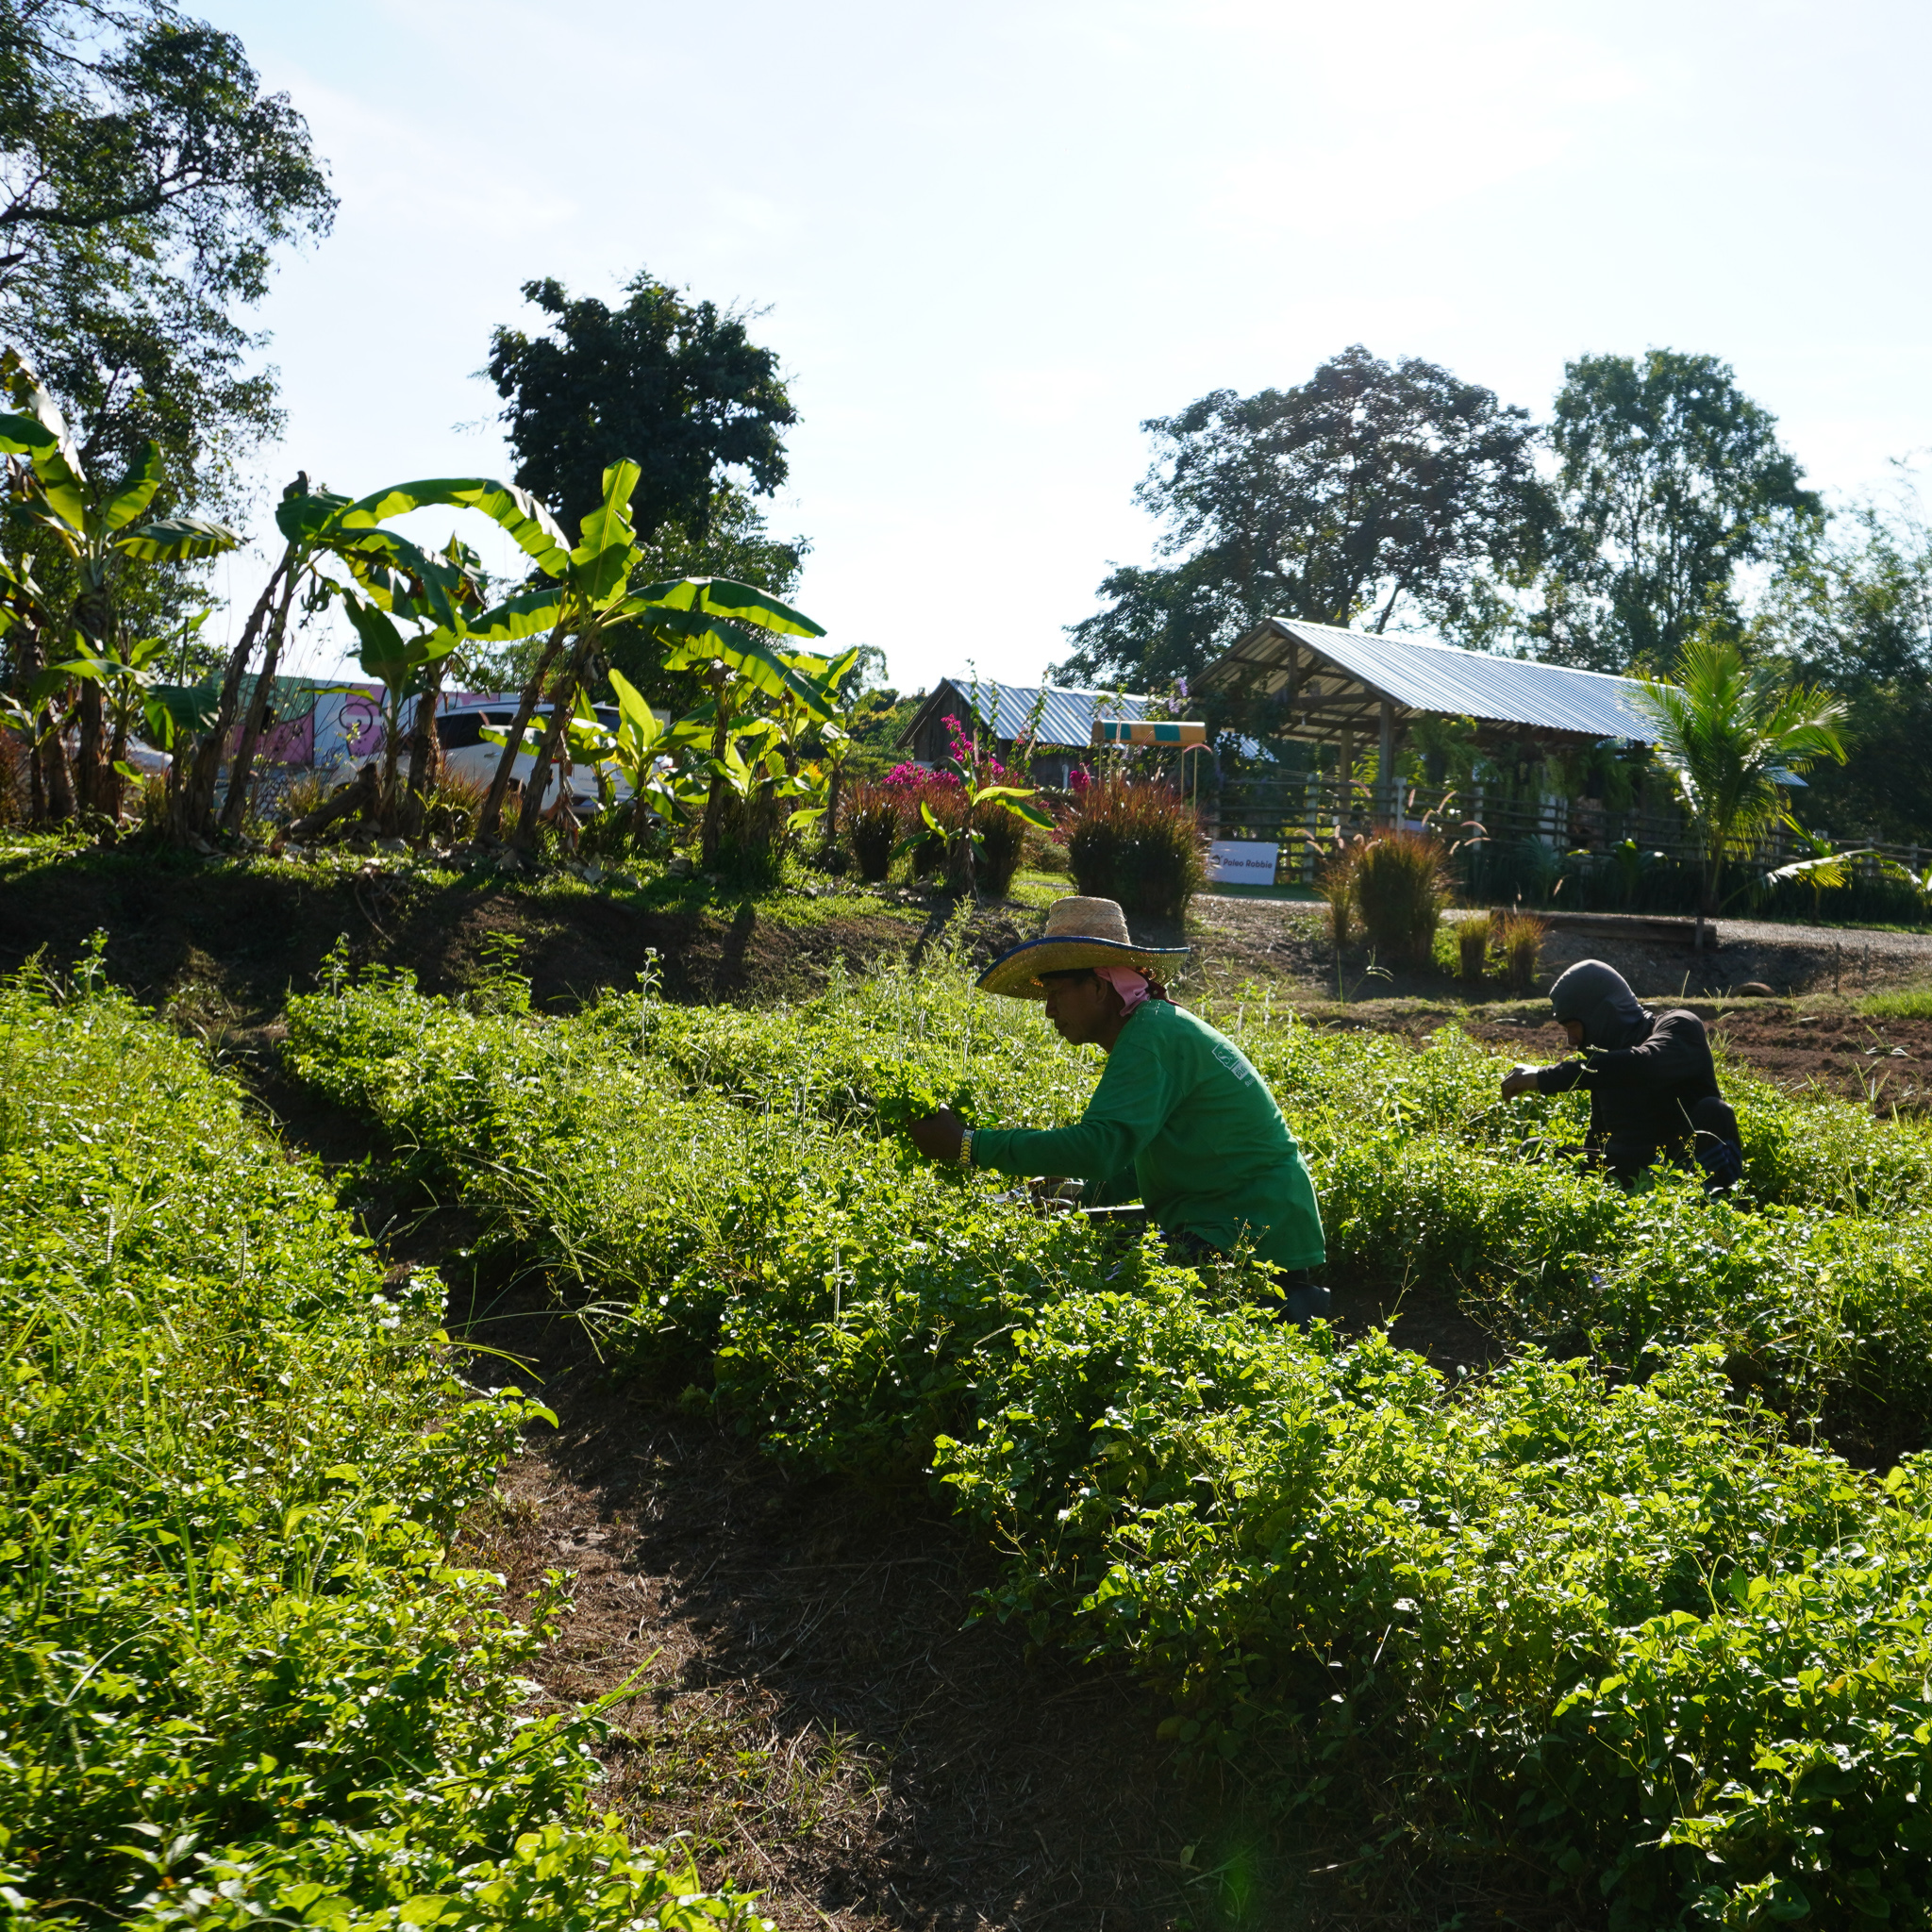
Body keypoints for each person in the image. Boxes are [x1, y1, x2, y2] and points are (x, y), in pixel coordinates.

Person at [904, 896, 1330, 1323]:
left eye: (1055, 994)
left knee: (1078, 1313)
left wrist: (966, 1145)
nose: (1050, 1011)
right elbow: (1139, 1157)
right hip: (1251, 1224)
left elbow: (1100, 1148)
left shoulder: (1150, 1035)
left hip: (1247, 1235)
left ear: (1099, 987)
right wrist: (1078, 1195)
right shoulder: (1158, 1026)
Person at [1498, 958, 1744, 1191]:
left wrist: (1545, 1077)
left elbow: (1644, 1064)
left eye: (1573, 1027)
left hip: (1676, 1172)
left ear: (1603, 1014)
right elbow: (1598, 1140)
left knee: (1715, 1111)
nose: (1570, 1040)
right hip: (1624, 1174)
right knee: (1535, 1151)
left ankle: (1715, 1201)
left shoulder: (1680, 1025)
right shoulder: (1605, 1065)